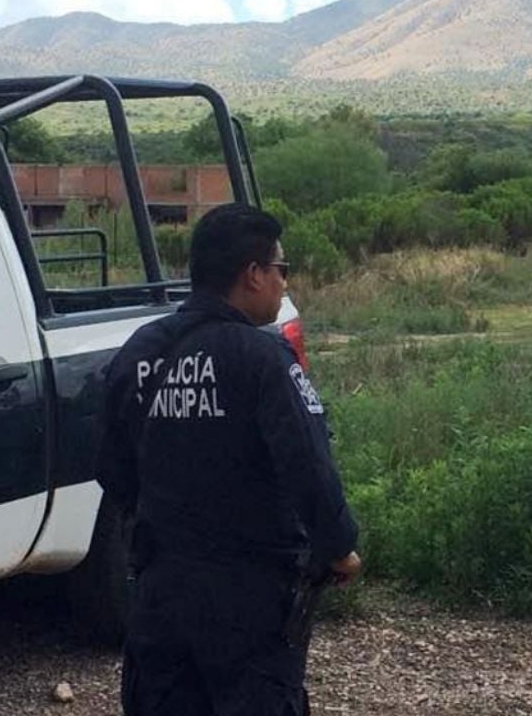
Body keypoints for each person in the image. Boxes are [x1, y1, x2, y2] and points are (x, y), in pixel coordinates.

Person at [95, 203, 361, 716]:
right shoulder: (262, 359)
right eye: (281, 269)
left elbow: (110, 464)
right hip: (249, 594)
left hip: (160, 588)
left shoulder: (139, 352)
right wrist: (338, 547)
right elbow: (307, 465)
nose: (284, 283)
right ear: (253, 274)